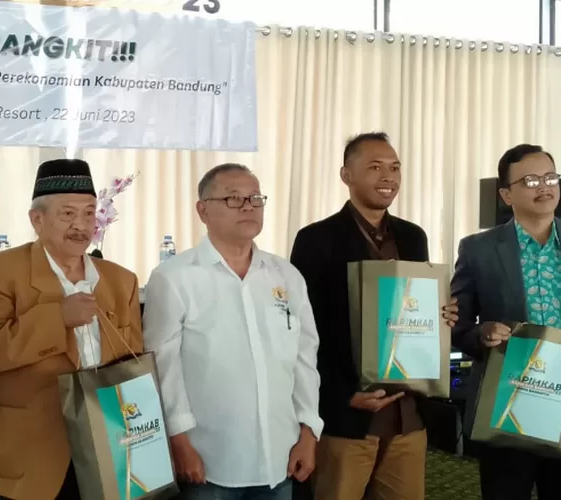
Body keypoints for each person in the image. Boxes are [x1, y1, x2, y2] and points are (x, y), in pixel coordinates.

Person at [289, 132, 458, 500]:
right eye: (375, 167)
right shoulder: (316, 239)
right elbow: (302, 331)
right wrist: (342, 396)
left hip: (407, 415)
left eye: (395, 168)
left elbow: (414, 310)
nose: (388, 177)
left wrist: (441, 314)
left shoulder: (413, 236)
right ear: (346, 175)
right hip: (348, 418)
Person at [0, 159, 144, 500]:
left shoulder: (121, 280)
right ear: (37, 219)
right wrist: (57, 318)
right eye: (68, 214)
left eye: (89, 214)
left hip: (109, 456)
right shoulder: (0, 270)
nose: (81, 226)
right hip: (29, 456)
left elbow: (133, 369)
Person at [143, 163, 323, 500]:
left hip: (280, 455)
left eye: (255, 198)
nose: (247, 207)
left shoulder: (285, 274)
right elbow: (162, 365)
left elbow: (304, 358)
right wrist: (178, 441)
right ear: (203, 210)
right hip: (208, 459)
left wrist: (309, 431)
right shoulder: (175, 277)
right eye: (233, 198)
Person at [451, 144, 561, 500]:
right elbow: (456, 323)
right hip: (506, 403)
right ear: (506, 194)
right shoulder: (478, 249)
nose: (544, 187)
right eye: (530, 180)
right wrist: (481, 334)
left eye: (550, 178)